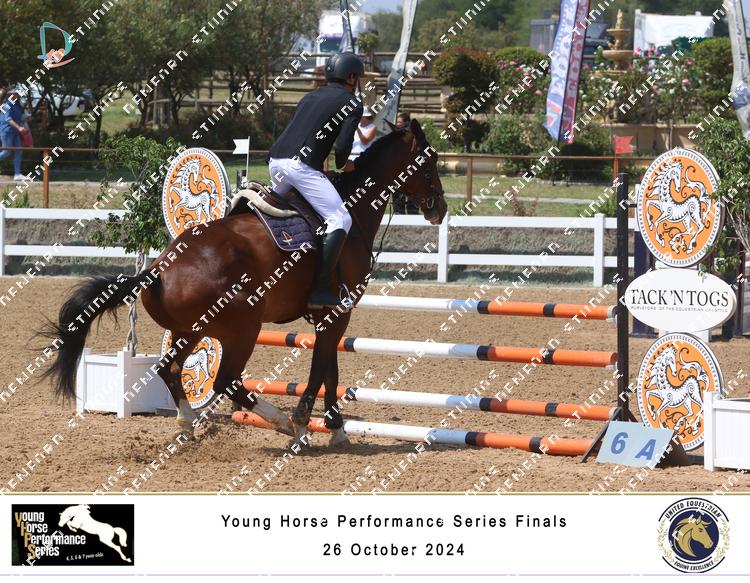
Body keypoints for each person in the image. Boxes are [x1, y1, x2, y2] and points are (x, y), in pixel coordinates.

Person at [268, 52, 364, 310]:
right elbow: (342, 146)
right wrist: (344, 164)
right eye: (357, 77)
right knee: (340, 219)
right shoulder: (352, 102)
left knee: (286, 211)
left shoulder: (309, 96)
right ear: (351, 76)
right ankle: (320, 288)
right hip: (300, 168)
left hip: (275, 162)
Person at [392, 112, 419, 214]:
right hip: (398, 171)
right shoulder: (395, 135)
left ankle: (413, 214)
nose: (398, 124)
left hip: (411, 171)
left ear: (406, 123)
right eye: (397, 122)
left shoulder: (413, 135)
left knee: (412, 199)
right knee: (398, 199)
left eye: (400, 122)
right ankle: (399, 214)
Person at [0, 87, 28, 180]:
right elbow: (8, 119)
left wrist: (27, 118)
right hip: (7, 131)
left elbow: (20, 117)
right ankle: (17, 173)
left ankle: (17, 174)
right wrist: (19, 127)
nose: (19, 95)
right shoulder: (6, 105)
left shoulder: (17, 105)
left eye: (18, 94)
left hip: (15, 132)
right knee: (6, 152)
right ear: (11, 95)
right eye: (17, 93)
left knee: (19, 150)